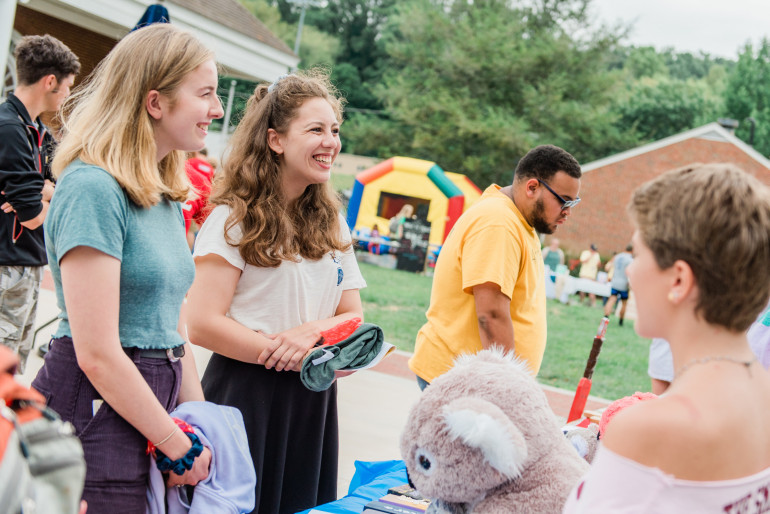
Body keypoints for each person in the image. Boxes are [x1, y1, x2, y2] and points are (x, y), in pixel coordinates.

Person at [30, 24, 223, 511]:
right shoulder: (93, 188)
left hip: (149, 408)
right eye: (205, 94)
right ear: (155, 102)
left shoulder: (161, 194)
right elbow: (96, 352)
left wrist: (195, 422)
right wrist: (177, 444)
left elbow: (172, 326)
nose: (218, 111)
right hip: (91, 415)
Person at [185, 70, 367, 514]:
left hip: (313, 400)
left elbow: (353, 317)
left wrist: (308, 338)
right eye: (316, 130)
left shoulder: (332, 222)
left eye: (335, 130)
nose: (331, 142)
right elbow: (202, 323)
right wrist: (280, 352)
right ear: (276, 140)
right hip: (246, 397)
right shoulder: (233, 218)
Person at [564, 163, 770, 512]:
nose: (629, 269)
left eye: (639, 253)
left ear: (678, 281)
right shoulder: (760, 395)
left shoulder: (647, 430)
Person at [408, 145, 581, 389]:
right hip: (466, 381)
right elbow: (491, 315)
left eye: (574, 203)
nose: (568, 212)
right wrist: (505, 387)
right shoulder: (499, 223)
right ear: (532, 187)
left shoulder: (519, 219)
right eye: (564, 201)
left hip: (475, 378)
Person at [0, 35, 79, 373]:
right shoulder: (8, 128)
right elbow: (31, 215)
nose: (68, 95)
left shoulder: (38, 131)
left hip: (28, 264)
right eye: (68, 86)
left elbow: (64, 184)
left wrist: (47, 192)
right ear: (50, 82)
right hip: (8, 264)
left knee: (14, 367)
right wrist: (41, 198)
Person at [182, 148, 216, 249]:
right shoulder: (208, 167)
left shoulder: (191, 162)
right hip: (197, 197)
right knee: (190, 232)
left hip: (188, 193)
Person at [603, 244, 633, 325]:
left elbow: (608, 267)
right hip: (624, 284)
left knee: (611, 299)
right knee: (624, 303)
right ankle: (621, 321)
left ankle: (606, 317)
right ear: (632, 250)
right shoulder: (630, 259)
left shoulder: (618, 256)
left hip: (615, 282)